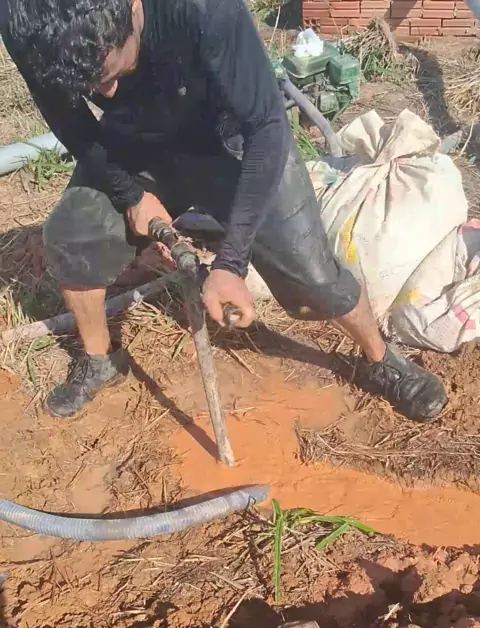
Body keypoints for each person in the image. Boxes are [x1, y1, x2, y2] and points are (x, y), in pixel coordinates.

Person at [2, 0, 446, 421]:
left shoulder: (203, 10)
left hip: (233, 137)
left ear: (132, 7)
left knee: (312, 277)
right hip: (134, 139)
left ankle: (379, 358)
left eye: (110, 74)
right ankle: (100, 360)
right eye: (89, 87)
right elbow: (68, 120)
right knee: (74, 235)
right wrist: (130, 195)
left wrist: (231, 262)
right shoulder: (25, 20)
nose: (106, 93)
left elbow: (266, 127)